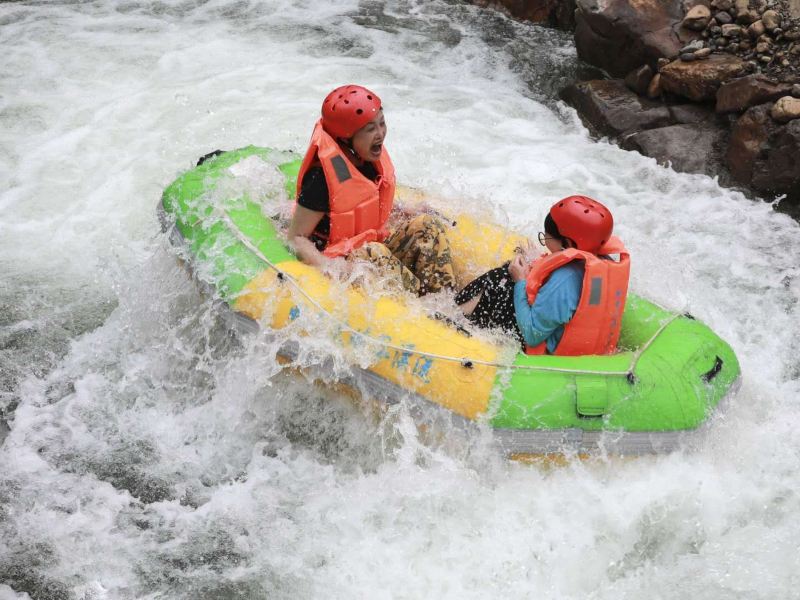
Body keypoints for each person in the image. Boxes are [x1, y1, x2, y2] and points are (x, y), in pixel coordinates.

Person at [287, 84, 455, 296]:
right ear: (346, 138)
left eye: (382, 124)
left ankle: (447, 301)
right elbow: (296, 238)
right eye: (370, 129)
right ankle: (425, 310)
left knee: (426, 225)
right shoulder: (321, 179)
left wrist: (407, 210)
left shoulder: (367, 159)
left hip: (373, 252)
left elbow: (367, 205)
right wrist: (327, 266)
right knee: (374, 251)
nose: (380, 134)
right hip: (342, 259)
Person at [456, 196, 630, 356]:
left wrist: (520, 281)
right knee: (510, 275)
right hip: (583, 344)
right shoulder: (600, 263)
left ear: (568, 243)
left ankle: (453, 318)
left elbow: (532, 334)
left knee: (499, 279)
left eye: (546, 236)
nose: (545, 239)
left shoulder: (565, 280)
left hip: (546, 350)